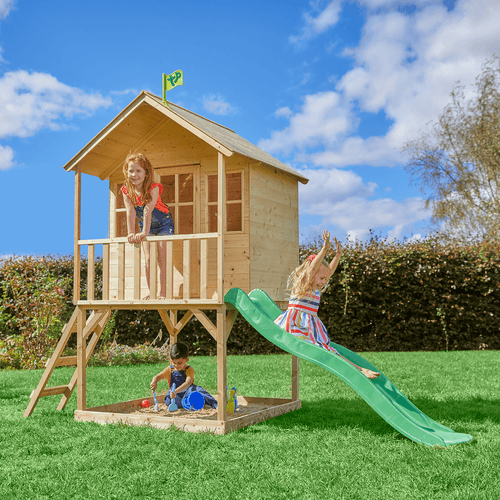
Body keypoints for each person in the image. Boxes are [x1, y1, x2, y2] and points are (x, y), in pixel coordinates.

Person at [274, 230, 380, 379]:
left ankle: (360, 369)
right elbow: (312, 269)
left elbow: (329, 271)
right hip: (298, 326)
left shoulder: (315, 289)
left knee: (329, 350)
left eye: (325, 279)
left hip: (309, 327)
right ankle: (359, 370)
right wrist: (324, 249)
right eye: (322, 278)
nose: (324, 281)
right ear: (312, 273)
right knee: (328, 352)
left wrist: (338, 255)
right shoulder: (305, 284)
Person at [121, 153, 174, 299]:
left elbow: (147, 210)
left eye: (138, 171)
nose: (134, 175)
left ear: (146, 173)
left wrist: (144, 232)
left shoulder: (154, 188)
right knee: (149, 259)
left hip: (164, 224)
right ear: (126, 172)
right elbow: (130, 211)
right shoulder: (126, 191)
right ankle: (152, 293)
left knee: (162, 259)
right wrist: (131, 232)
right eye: (131, 171)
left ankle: (163, 293)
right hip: (145, 224)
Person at [150, 342, 218, 409]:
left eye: (179, 363)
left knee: (199, 390)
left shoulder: (189, 369)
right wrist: (154, 381)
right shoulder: (170, 369)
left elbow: (188, 383)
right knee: (169, 400)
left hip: (188, 391)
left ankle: (215, 404)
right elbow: (158, 376)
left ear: (187, 359)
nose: (176, 365)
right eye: (174, 363)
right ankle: (191, 402)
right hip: (175, 394)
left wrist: (176, 391)